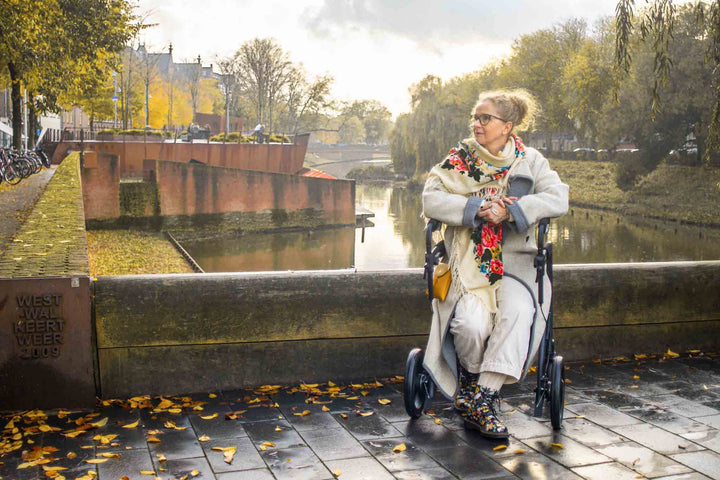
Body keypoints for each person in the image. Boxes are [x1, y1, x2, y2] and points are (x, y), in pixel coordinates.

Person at [421, 89, 568, 439]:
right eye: (476, 117)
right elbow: (431, 198)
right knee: (470, 325)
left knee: (518, 312)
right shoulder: (459, 159)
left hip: (516, 266)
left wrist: (513, 209)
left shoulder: (530, 160)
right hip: (468, 264)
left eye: (485, 118)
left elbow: (557, 196)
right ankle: (471, 383)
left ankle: (483, 398)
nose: (477, 124)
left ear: (507, 126)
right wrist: (473, 210)